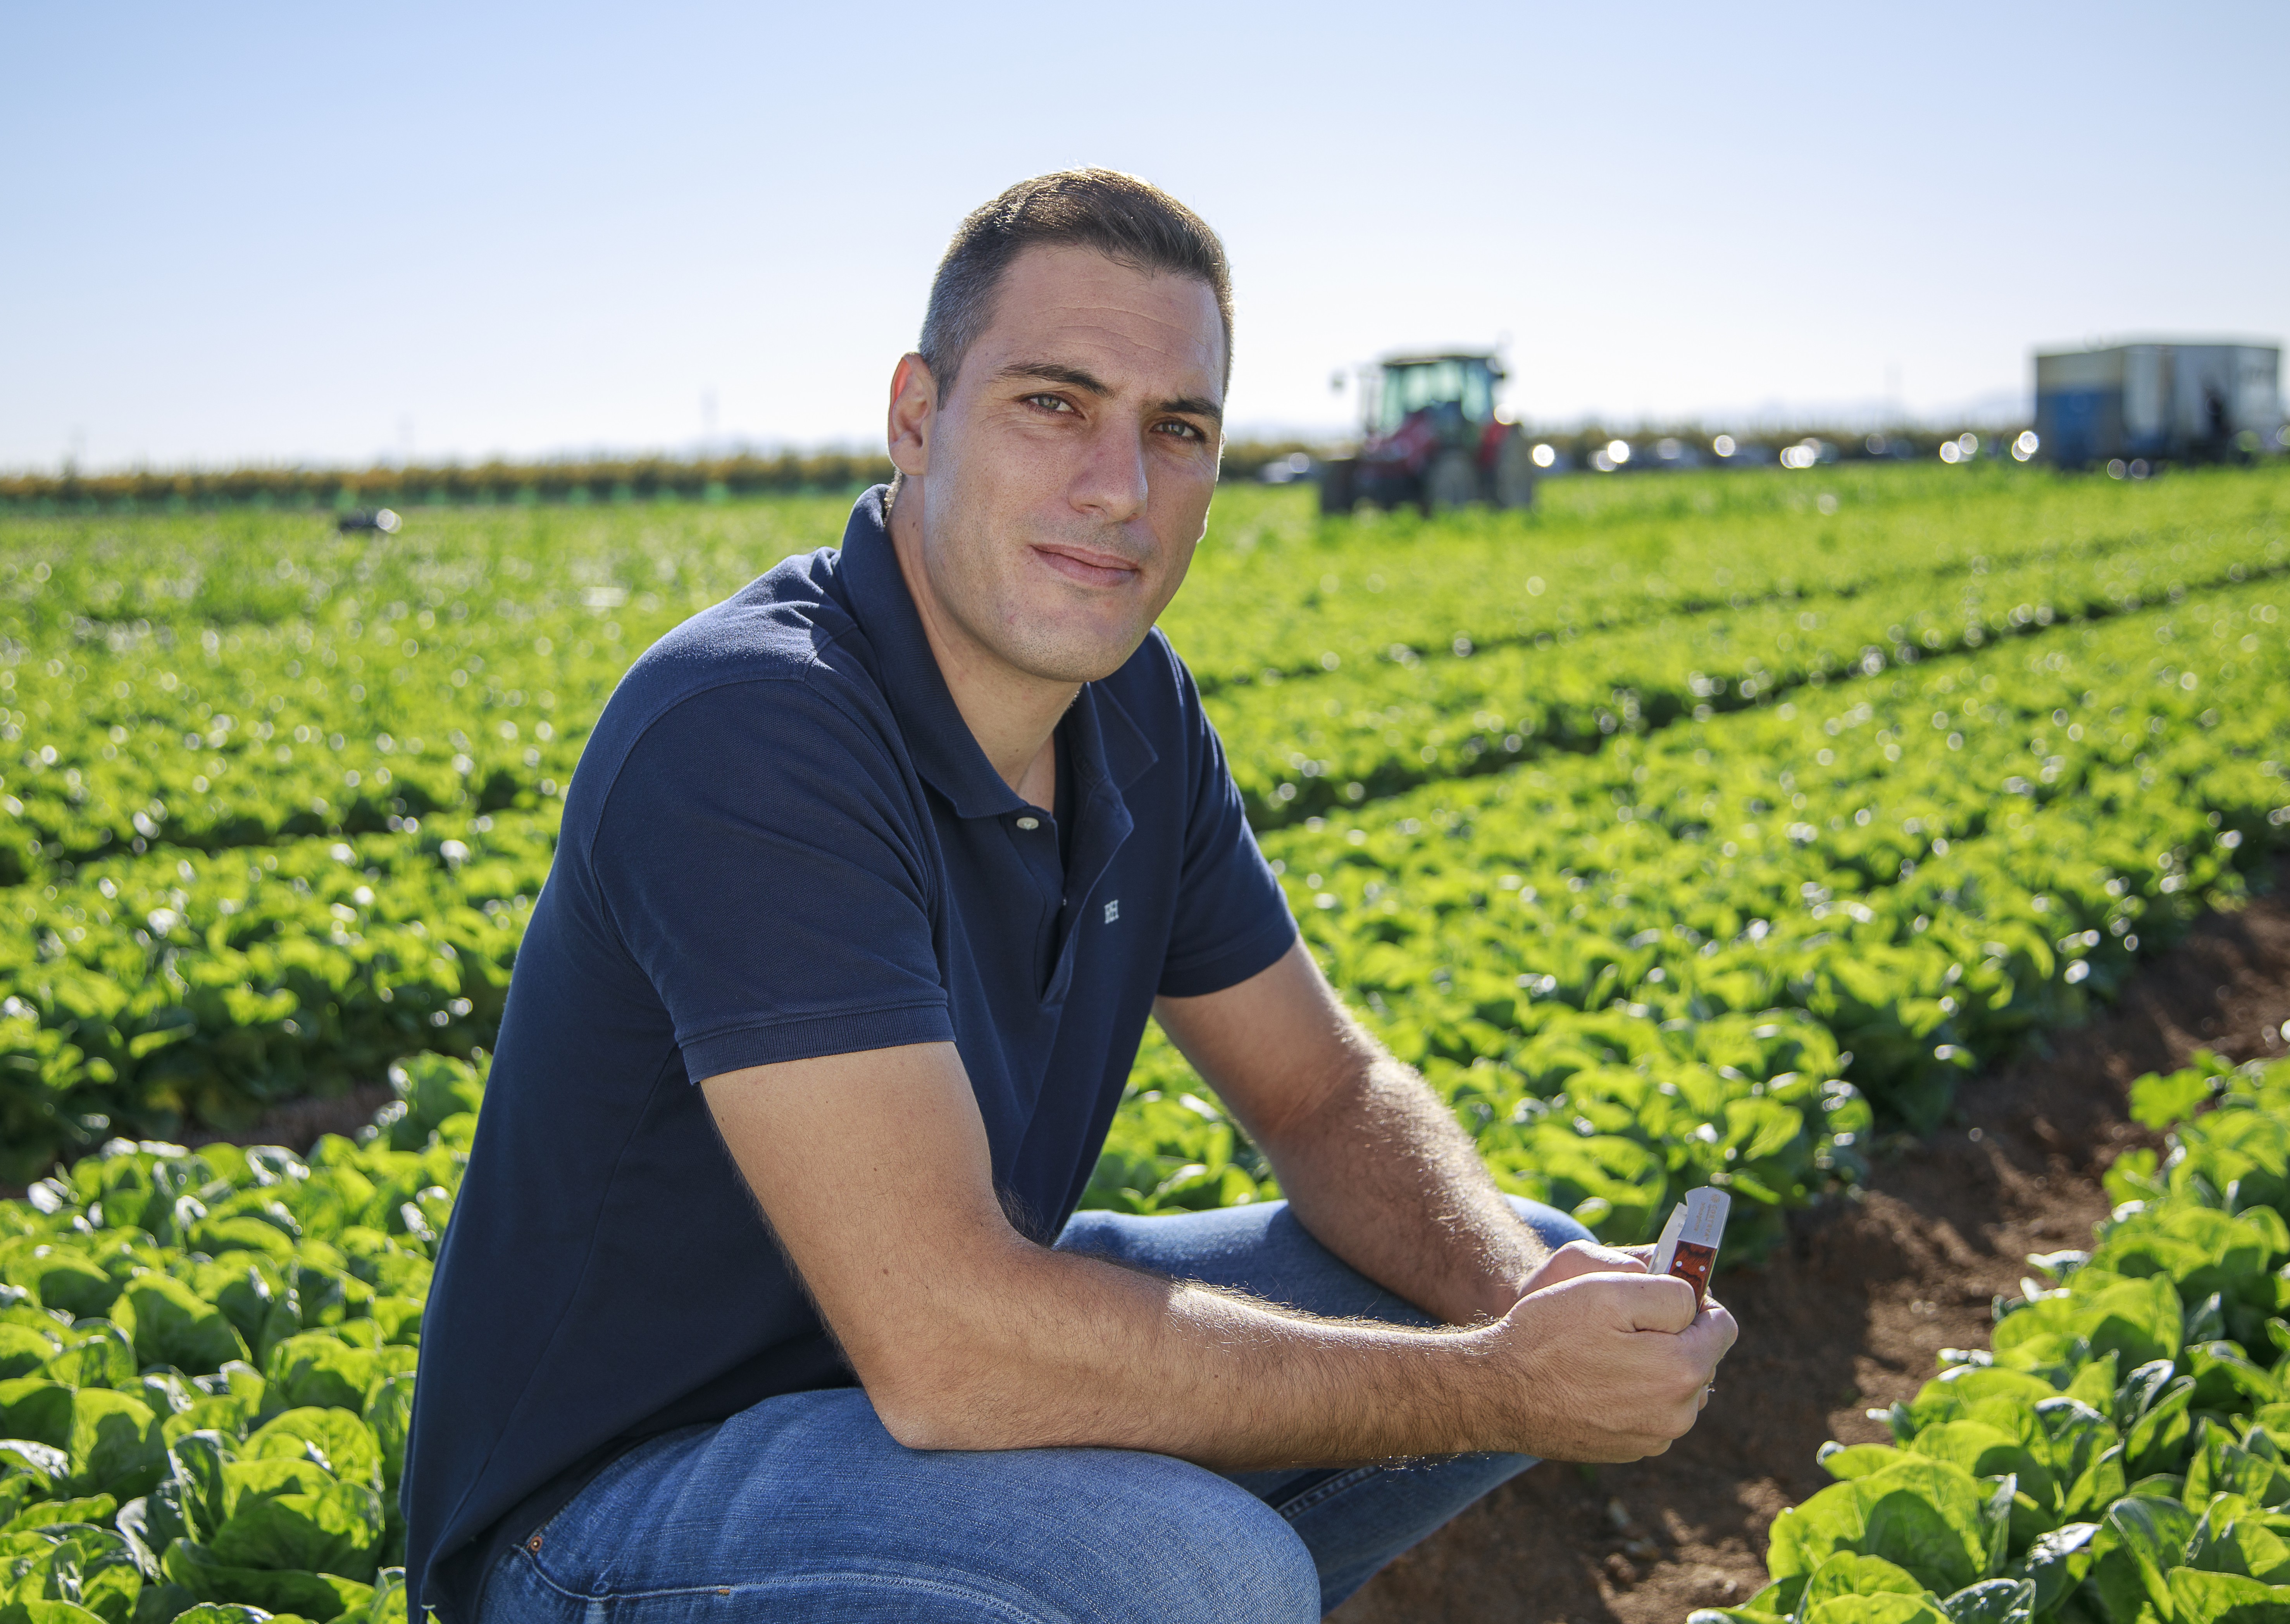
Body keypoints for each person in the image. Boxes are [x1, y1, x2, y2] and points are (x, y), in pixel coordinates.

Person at [404, 169, 1735, 1624]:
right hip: (605, 1512)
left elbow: (1321, 1093)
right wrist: (1498, 1385)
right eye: (1055, 403)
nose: (1121, 489)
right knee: (1193, 1570)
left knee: (1513, 1257)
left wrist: (1527, 1316)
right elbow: (950, 1345)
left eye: (1179, 429)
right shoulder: (750, 730)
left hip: (896, 1393)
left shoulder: (1136, 712)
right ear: (918, 417)